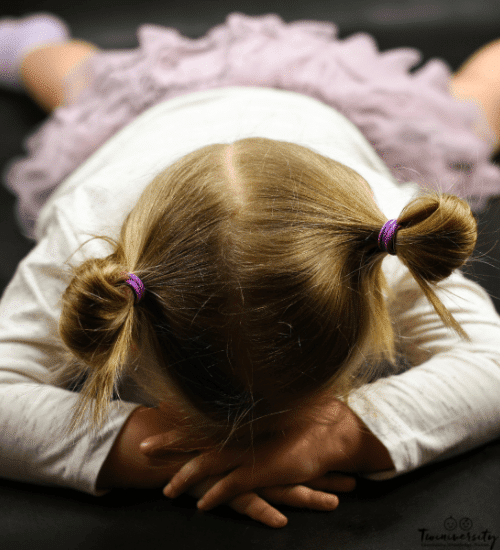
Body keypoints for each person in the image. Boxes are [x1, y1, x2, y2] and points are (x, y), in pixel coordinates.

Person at [1, 12, 500, 529]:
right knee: (76, 84)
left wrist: (340, 435)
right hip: (147, 118)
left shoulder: (372, 235)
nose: (256, 444)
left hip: (323, 106)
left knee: (474, 107)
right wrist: (145, 448)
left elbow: (493, 367)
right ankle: (29, 47)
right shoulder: (86, 239)